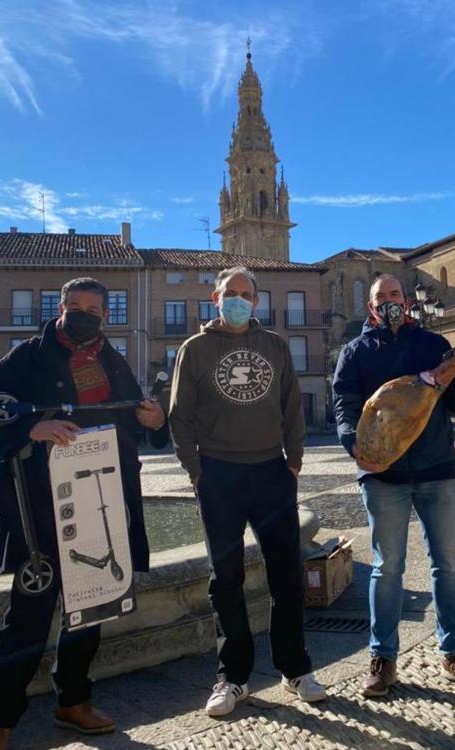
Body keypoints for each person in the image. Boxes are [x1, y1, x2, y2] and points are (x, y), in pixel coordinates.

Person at [0, 278, 168, 750]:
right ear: (59, 308)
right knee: (29, 614)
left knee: (92, 604)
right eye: (75, 306)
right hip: (37, 506)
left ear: (105, 315)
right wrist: (33, 427)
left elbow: (136, 418)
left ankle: (72, 702)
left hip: (99, 500)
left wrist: (154, 421)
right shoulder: (25, 357)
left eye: (93, 309)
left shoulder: (111, 360)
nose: (84, 314)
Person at [169, 266, 325, 717]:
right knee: (227, 579)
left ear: (256, 301)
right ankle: (232, 678)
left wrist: (293, 462)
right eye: (230, 293)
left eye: (245, 294)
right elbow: (180, 416)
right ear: (215, 298)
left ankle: (295, 668)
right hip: (218, 474)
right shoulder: (194, 349)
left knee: (287, 575)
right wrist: (196, 471)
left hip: (271, 471)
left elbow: (292, 405)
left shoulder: (274, 345)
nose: (238, 300)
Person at [332, 274, 455, 697]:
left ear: (407, 301)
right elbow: (344, 406)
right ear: (370, 307)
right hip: (383, 477)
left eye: (395, 295)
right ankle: (382, 659)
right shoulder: (355, 352)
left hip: (436, 468)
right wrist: (355, 446)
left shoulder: (432, 346)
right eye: (380, 297)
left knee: (449, 565)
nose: (389, 302)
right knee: (387, 570)